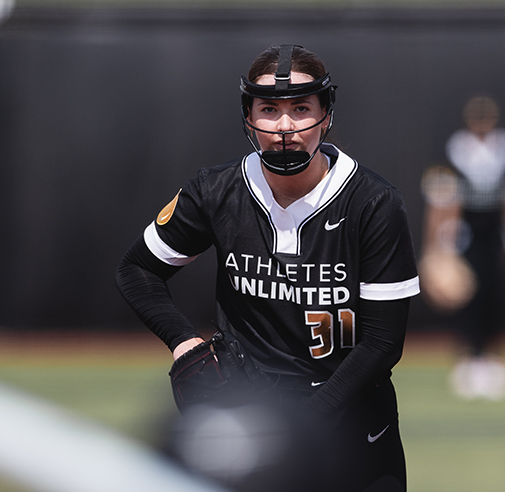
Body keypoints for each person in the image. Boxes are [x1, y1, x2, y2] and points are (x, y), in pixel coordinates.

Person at [116, 45, 420, 492]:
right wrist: (184, 342)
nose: (285, 126)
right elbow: (137, 270)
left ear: (326, 115)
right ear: (248, 117)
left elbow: (382, 343)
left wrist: (301, 425)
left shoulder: (372, 202)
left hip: (353, 418)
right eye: (269, 109)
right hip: (249, 423)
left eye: (301, 108)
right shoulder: (217, 191)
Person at [418, 95, 505, 401]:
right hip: (465, 235)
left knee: (495, 295)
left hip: (494, 234)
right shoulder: (457, 150)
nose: (482, 125)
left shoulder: (504, 148)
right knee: (465, 296)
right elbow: (441, 200)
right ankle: (467, 360)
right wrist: (435, 247)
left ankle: (493, 360)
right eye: (478, 120)